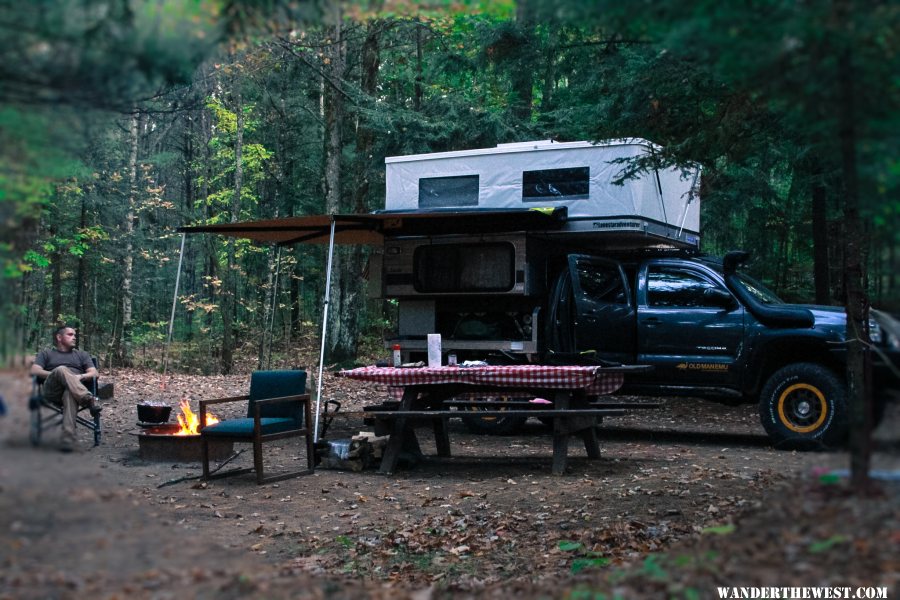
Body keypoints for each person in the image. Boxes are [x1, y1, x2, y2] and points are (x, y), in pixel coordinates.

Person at [30, 326, 101, 452]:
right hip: (52, 391)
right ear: (59, 337)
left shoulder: (82, 355)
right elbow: (34, 370)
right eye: (70, 334)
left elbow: (94, 373)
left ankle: (67, 440)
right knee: (61, 369)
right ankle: (88, 399)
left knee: (69, 393)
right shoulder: (46, 354)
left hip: (73, 392)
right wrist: (56, 374)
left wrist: (79, 376)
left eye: (74, 335)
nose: (74, 337)